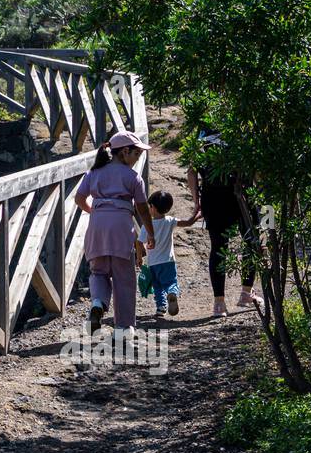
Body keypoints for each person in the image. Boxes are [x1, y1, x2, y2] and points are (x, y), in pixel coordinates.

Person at [74, 131, 153, 335]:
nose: (137, 159)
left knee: (98, 271)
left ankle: (98, 303)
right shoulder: (132, 177)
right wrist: (150, 233)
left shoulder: (93, 173)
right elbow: (142, 208)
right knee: (124, 277)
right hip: (120, 227)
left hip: (97, 226)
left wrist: (93, 209)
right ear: (125, 152)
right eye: (136, 154)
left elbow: (79, 198)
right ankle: (124, 327)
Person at [187, 126, 260, 317]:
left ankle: (219, 304)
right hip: (242, 194)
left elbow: (192, 170)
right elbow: (255, 168)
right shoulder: (241, 123)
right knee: (251, 242)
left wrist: (197, 202)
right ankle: (246, 292)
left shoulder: (203, 129)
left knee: (218, 247)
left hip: (213, 196)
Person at [134, 190, 198, 319]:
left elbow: (139, 243)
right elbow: (188, 222)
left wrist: (139, 258)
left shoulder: (147, 225)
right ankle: (172, 293)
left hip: (153, 263)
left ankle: (160, 308)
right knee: (170, 282)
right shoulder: (170, 221)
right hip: (168, 261)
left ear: (152, 207)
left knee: (157, 286)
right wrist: (197, 214)